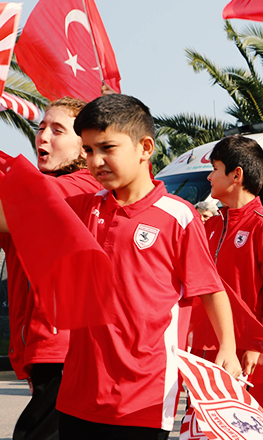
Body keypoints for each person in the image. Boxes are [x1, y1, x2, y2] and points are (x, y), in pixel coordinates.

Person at [0, 94, 242, 439]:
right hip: (77, 396)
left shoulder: (178, 216)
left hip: (143, 397)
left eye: (107, 148)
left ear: (145, 147)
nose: (95, 160)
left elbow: (211, 290)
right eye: (87, 150)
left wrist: (228, 350)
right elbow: (12, 216)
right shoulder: (80, 208)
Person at [3, 97, 103, 440]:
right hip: (44, 350)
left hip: (68, 349)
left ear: (82, 148)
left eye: (57, 130)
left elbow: (13, 210)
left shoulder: (83, 189)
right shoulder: (39, 189)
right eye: (40, 127)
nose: (43, 136)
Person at [192, 135, 263, 378]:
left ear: (237, 175)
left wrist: (259, 345)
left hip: (241, 357)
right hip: (202, 353)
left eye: (215, 169)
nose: (209, 177)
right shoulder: (211, 225)